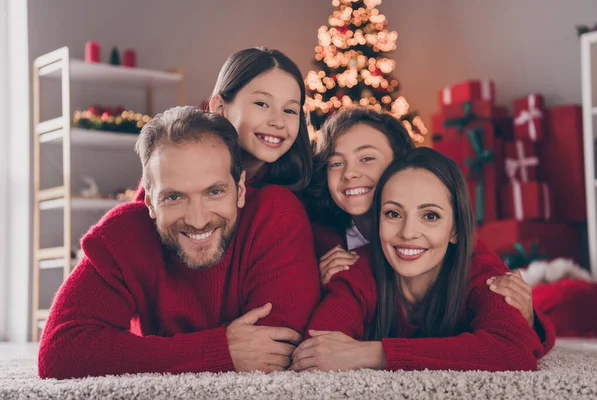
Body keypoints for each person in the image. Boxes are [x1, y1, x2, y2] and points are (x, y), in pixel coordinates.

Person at [38, 106, 321, 379]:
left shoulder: (275, 215)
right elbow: (60, 352)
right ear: (150, 201)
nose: (198, 220)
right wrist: (217, 350)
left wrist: (151, 354)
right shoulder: (124, 232)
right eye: (174, 197)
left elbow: (279, 350)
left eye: (214, 192)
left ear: (240, 189)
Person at [304, 107, 554, 349]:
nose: (350, 173)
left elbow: (511, 335)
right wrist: (317, 284)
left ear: (401, 164)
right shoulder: (323, 234)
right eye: (335, 163)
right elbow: (318, 338)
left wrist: (526, 318)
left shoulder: (464, 252)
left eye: (367, 158)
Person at [134, 47, 312, 203]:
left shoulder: (296, 198)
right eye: (262, 104)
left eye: (290, 111)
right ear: (220, 107)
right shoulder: (170, 164)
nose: (278, 122)